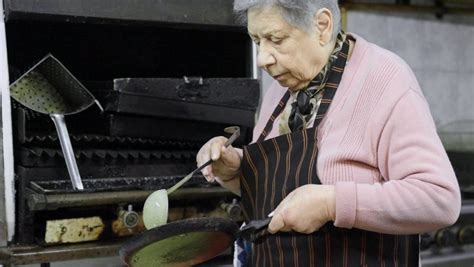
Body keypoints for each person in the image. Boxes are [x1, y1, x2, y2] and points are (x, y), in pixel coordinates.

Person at [196, 0, 461, 265]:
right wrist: (235, 172)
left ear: (322, 26)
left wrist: (331, 204)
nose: (263, 59)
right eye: (256, 40)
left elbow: (439, 199)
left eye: (275, 39)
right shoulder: (281, 88)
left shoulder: (384, 80)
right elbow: (278, 196)